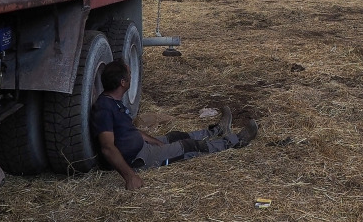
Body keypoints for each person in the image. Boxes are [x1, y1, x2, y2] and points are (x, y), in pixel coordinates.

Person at [91, 59, 258, 190]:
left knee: (175, 136)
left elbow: (127, 131)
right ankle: (235, 141)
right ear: (122, 82)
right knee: (188, 146)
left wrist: (155, 141)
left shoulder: (114, 102)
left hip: (141, 146)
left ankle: (218, 130)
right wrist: (130, 176)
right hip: (139, 158)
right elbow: (107, 148)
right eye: (129, 73)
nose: (131, 76)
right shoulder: (104, 109)